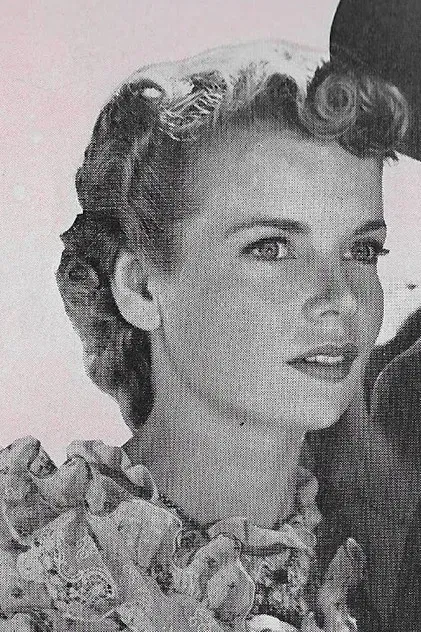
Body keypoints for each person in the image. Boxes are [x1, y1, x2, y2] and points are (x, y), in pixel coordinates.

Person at [0, 40, 409, 632]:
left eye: (362, 250)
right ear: (141, 288)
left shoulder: (368, 571)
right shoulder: (39, 571)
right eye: (270, 248)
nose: (341, 298)